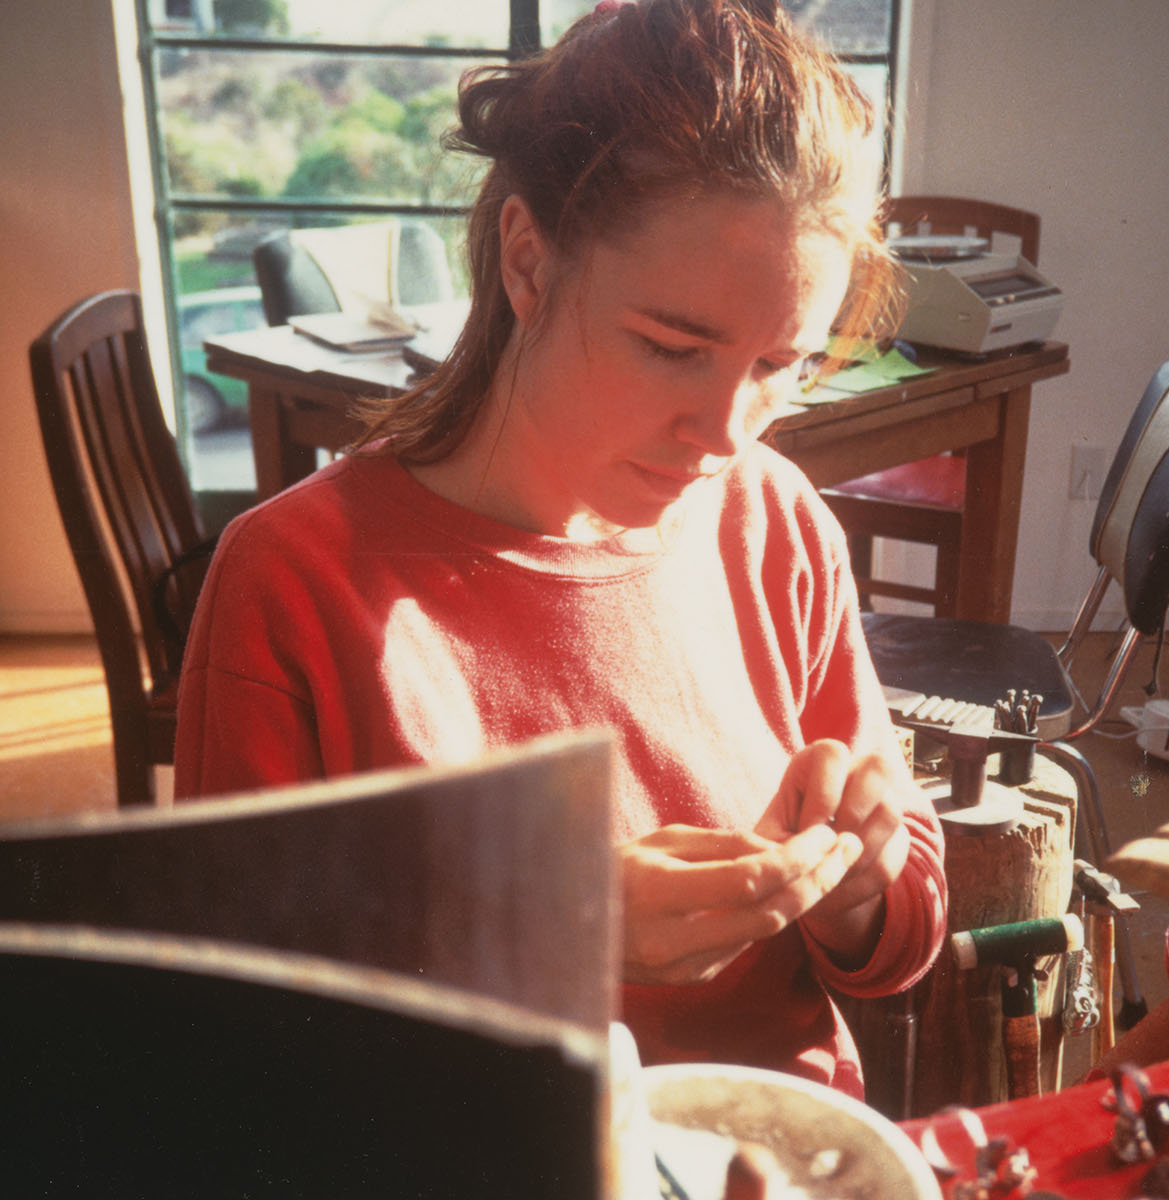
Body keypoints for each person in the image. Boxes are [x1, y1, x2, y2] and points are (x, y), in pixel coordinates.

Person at [175, 0, 946, 1101]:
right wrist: (546, 938)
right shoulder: (294, 587)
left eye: (784, 363)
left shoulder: (777, 527)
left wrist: (859, 890)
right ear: (529, 262)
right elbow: (229, 1048)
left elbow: (907, 908)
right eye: (672, 347)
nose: (726, 431)